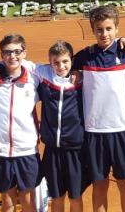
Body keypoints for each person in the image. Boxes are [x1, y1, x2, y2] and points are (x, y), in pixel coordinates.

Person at [72, 5, 125, 212]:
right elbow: (62, 65)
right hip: (95, 132)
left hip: (122, 131)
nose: (104, 33)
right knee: (99, 184)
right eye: (99, 29)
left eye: (109, 29)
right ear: (93, 31)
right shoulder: (83, 57)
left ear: (116, 29)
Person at [0, 34, 41, 212]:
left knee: (28, 200)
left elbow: (61, 66)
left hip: (26, 150)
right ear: (1, 55)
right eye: (7, 52)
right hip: (0, 151)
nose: (12, 56)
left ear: (24, 53)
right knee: (7, 200)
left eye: (17, 52)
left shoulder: (35, 76)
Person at [36, 40, 87, 212]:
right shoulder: (44, 76)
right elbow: (18, 63)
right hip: (52, 150)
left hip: (75, 151)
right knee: (57, 198)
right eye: (56, 62)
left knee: (75, 197)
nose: (61, 66)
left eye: (65, 61)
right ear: (50, 63)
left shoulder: (81, 80)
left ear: (71, 60)